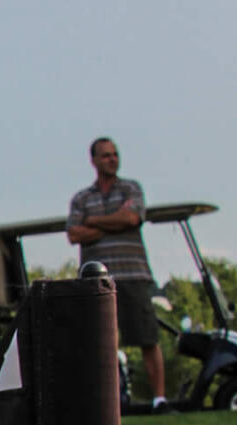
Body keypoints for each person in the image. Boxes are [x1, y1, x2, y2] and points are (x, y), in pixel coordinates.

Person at [67, 138, 167, 408]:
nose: (112, 159)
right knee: (100, 343)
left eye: (115, 155)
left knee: (147, 338)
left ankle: (160, 398)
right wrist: (114, 223)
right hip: (97, 282)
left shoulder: (130, 188)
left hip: (133, 274)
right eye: (106, 155)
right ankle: (104, 403)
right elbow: (74, 234)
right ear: (93, 161)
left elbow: (132, 218)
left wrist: (94, 222)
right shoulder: (82, 198)